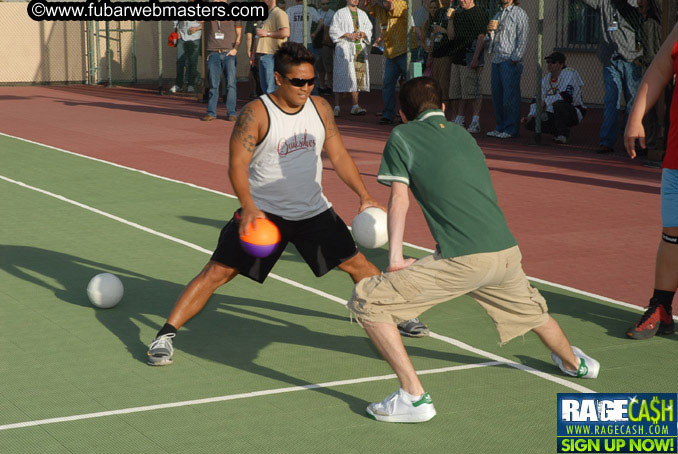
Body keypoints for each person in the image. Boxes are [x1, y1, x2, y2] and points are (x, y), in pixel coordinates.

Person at [147, 43, 425, 366]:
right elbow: (236, 166)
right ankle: (165, 335)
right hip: (264, 214)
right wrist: (248, 206)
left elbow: (339, 156)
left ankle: (398, 314)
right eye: (297, 82)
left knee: (359, 266)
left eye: (310, 82)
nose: (305, 88)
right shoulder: (256, 114)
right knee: (217, 272)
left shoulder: (320, 108)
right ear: (278, 78)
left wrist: (363, 195)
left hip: (313, 211)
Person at [347, 77, 600, 423]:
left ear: (403, 114)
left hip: (464, 258)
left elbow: (399, 199)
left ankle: (414, 398)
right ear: (445, 109)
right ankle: (576, 363)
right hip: (506, 250)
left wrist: (394, 259)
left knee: (367, 300)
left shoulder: (402, 136)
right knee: (534, 313)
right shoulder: (464, 134)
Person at [624, 24, 678, 340]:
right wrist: (636, 118)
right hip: (676, 157)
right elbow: (659, 69)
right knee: (672, 236)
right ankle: (661, 308)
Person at [580, 0, 643, 154]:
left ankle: (631, 141)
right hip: (610, 59)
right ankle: (607, 141)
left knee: (632, 102)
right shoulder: (603, 3)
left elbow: (640, 8)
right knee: (611, 100)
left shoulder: (633, 4)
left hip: (631, 58)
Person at [367, 0, 421, 125]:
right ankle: (388, 115)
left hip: (406, 51)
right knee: (387, 84)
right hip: (390, 52)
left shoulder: (401, 2)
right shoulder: (379, 6)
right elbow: (364, 7)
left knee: (411, 85)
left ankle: (411, 115)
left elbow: (389, 6)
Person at [521, 52, 586, 144]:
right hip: (551, 110)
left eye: (553, 62)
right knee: (530, 123)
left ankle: (563, 134)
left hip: (574, 111)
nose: (549, 64)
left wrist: (546, 102)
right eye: (548, 62)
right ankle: (556, 132)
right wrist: (531, 115)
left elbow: (566, 96)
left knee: (558, 104)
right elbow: (537, 98)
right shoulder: (546, 78)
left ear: (561, 64)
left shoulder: (570, 73)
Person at [485, 0, 528, 139]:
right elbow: (490, 39)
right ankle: (500, 126)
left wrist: (516, 57)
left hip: (509, 60)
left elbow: (523, 37)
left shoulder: (519, 14)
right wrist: (490, 32)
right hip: (496, 59)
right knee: (497, 95)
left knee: (510, 96)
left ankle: (511, 129)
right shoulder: (498, 14)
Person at [447, 0, 488, 133]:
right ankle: (460, 118)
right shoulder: (458, 14)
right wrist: (450, 19)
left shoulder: (479, 13)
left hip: (470, 57)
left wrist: (476, 58)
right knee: (458, 91)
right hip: (457, 58)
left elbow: (481, 36)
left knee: (473, 91)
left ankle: (475, 121)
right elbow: (451, 36)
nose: (461, 1)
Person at [329, 0, 372, 116]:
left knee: (357, 78)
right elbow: (333, 30)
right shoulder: (339, 13)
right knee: (340, 76)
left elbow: (369, 28)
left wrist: (363, 34)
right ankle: (337, 107)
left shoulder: (362, 14)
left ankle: (355, 105)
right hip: (345, 49)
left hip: (359, 49)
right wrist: (347, 34)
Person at [201, 15, 242, 122]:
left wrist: (235, 49)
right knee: (213, 84)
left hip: (229, 53)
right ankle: (211, 112)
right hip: (214, 53)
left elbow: (239, 34)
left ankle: (232, 113)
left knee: (231, 84)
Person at [636, 0, 662, 154]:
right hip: (647, 67)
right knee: (647, 109)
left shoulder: (658, 18)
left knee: (658, 108)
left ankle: (656, 142)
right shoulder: (641, 20)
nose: (640, 2)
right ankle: (647, 143)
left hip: (657, 68)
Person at [255, 0, 291, 94]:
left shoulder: (279, 13)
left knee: (271, 88)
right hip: (263, 54)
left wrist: (267, 33)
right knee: (264, 87)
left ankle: (274, 108)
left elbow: (285, 33)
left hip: (272, 54)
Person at [425, 0, 452, 117]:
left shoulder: (454, 12)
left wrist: (443, 30)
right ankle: (435, 113)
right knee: (434, 87)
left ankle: (445, 114)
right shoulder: (439, 12)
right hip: (435, 55)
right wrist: (430, 55)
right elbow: (433, 34)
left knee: (444, 87)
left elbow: (452, 35)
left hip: (446, 55)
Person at [169, 20, 202, 94]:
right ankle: (178, 84)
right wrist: (176, 30)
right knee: (180, 61)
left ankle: (191, 84)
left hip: (195, 37)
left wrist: (197, 28)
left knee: (192, 62)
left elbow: (207, 23)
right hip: (182, 36)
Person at [314, 0, 336, 94]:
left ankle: (330, 85)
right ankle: (322, 85)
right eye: (323, 4)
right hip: (317, 43)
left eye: (327, 4)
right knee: (319, 66)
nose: (325, 6)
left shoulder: (332, 13)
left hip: (327, 43)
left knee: (328, 65)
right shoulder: (317, 12)